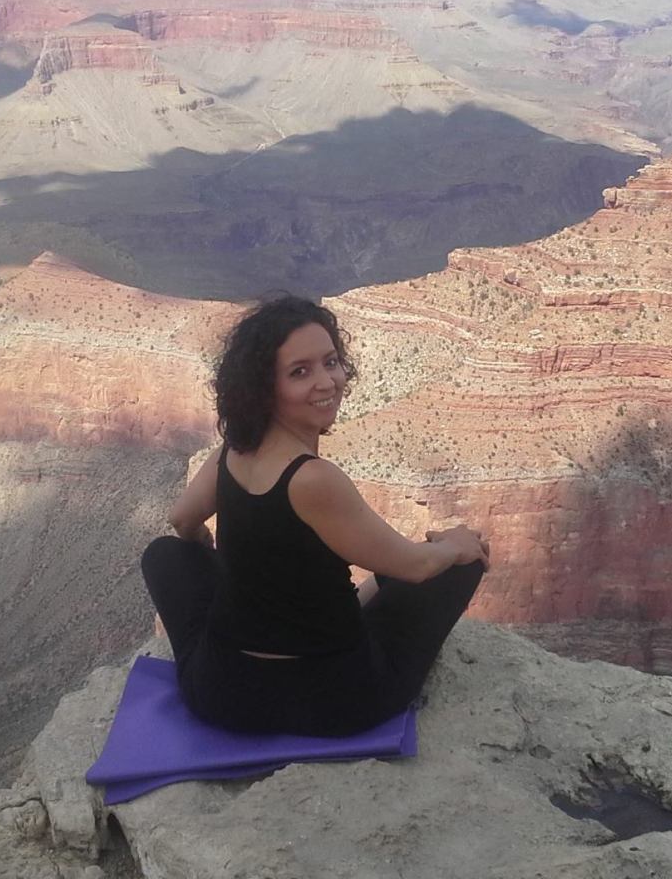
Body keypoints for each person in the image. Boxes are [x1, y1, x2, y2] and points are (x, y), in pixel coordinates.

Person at [140, 295, 488, 735]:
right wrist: (456, 545)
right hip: (332, 700)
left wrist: (213, 556)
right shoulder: (313, 479)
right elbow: (416, 568)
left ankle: (349, 598)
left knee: (166, 555)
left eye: (331, 362)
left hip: (220, 692)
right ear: (264, 387)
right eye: (299, 372)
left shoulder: (233, 452)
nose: (326, 382)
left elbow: (182, 522)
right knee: (460, 565)